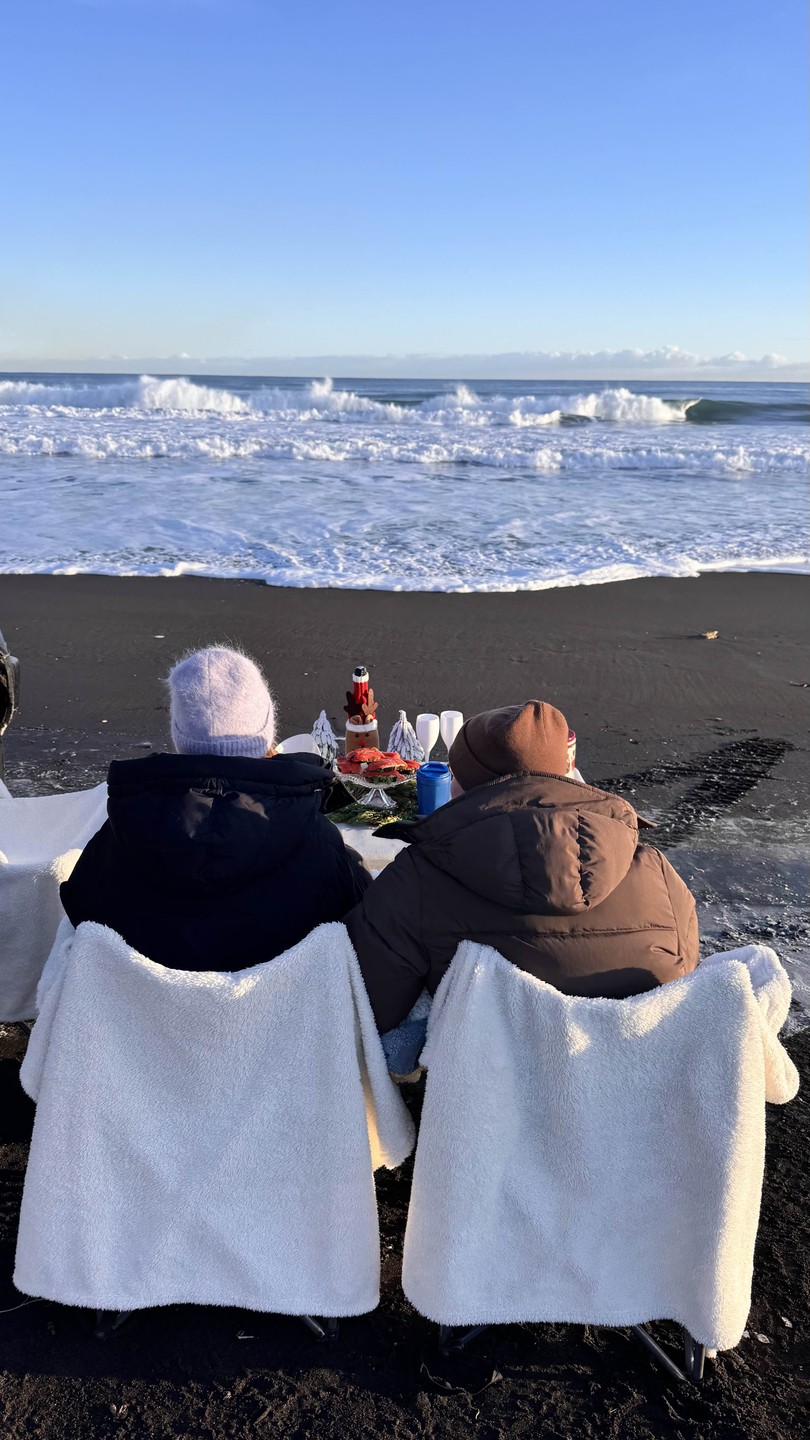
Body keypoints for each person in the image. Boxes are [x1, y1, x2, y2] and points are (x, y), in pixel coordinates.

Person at [346, 700, 699, 1039]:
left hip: (480, 1090)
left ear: (464, 785)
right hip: (626, 1086)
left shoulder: (416, 880)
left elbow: (369, 1009)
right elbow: (682, 987)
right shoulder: (656, 872)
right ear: (565, 774)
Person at [61, 646, 369, 971]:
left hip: (146, 1018)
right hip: (278, 1018)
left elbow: (82, 914)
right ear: (266, 733)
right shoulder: (315, 840)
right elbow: (358, 917)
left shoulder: (124, 829)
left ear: (180, 736)